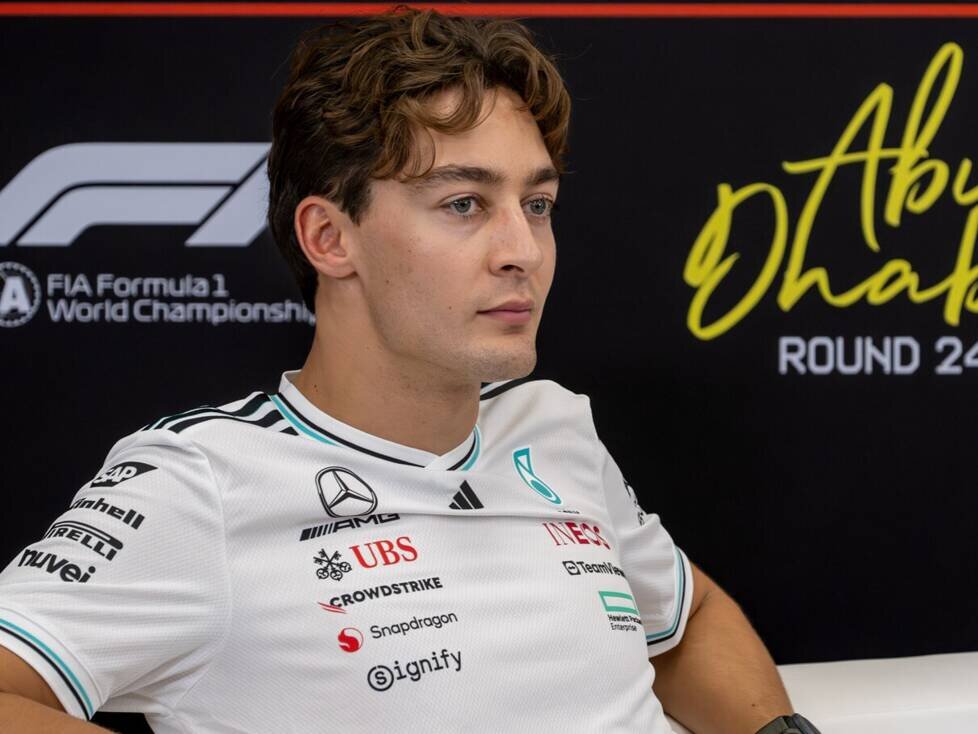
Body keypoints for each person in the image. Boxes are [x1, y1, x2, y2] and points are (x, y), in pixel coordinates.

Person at [0, 7, 820, 733]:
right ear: (330, 238)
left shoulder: (554, 429)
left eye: (537, 205)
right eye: (464, 204)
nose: (524, 252)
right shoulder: (201, 481)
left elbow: (688, 618)